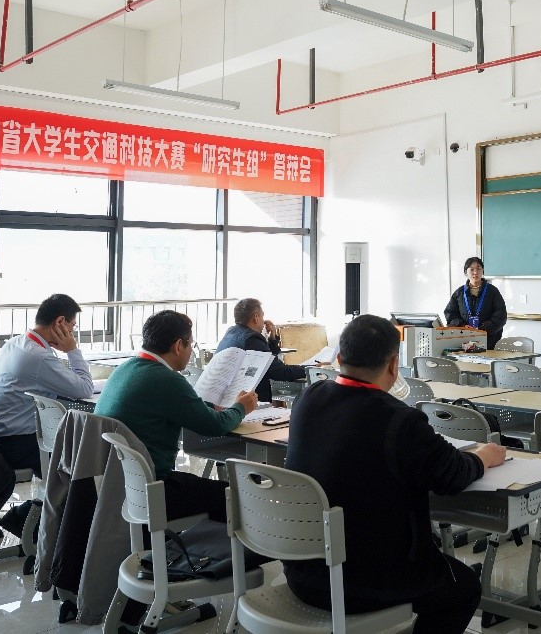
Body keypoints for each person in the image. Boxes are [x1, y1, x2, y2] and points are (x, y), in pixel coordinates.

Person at [284, 314, 506, 634]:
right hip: (368, 582)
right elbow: (453, 475)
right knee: (464, 588)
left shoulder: (307, 398)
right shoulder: (399, 419)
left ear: (340, 358)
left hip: (303, 573)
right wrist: (483, 456)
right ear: (393, 364)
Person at [96, 309, 257, 521]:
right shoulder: (166, 379)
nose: (190, 351)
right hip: (156, 490)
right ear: (178, 346)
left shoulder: (125, 369)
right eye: (190, 345)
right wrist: (241, 408)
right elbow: (215, 426)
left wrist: (208, 406)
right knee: (239, 495)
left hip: (122, 486)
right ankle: (225, 543)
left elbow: (173, 405)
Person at [0, 293, 94, 476]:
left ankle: (59, 493)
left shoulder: (15, 343)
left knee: (73, 440)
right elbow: (85, 389)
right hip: (14, 445)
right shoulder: (38, 357)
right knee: (87, 453)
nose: (72, 332)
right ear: (60, 322)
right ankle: (69, 495)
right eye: (72, 326)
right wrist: (72, 350)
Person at [214, 297, 307, 403]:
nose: (263, 322)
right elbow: (280, 372)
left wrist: (272, 339)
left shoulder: (231, 333)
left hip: (225, 399)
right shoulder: (252, 339)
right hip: (249, 403)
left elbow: (268, 362)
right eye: (262, 316)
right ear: (256, 317)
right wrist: (310, 369)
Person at [443, 256, 507, 349]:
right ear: (466, 272)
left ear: (483, 271)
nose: (475, 272)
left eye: (478, 269)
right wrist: (462, 326)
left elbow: (501, 316)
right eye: (472, 269)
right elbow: (450, 313)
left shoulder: (492, 291)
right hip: (463, 339)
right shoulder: (459, 293)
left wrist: (482, 328)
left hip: (488, 340)